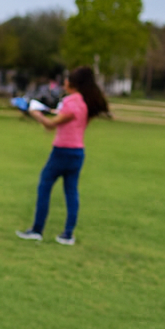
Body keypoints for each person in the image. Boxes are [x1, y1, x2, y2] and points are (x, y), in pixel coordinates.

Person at [16, 66, 110, 246]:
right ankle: (67, 234)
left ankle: (37, 230)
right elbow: (66, 123)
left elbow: (51, 125)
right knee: (71, 192)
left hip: (61, 152)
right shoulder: (85, 104)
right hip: (77, 153)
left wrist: (34, 113)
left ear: (72, 83)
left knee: (44, 186)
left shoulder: (71, 103)